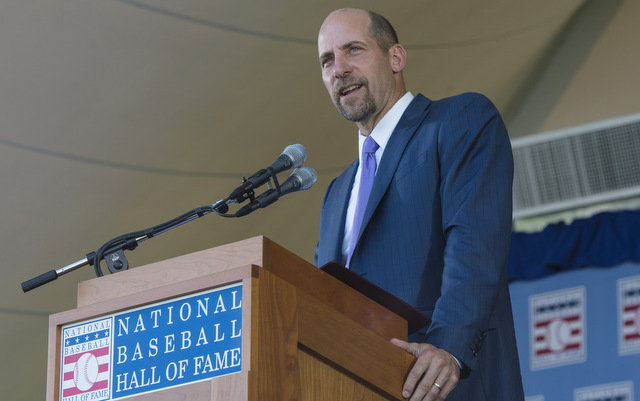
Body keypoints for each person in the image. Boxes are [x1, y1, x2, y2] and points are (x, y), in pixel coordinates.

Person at [314, 8, 525, 401]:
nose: (338, 69)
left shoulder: (457, 121)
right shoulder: (335, 194)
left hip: (445, 385)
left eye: (353, 50)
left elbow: (474, 246)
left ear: (396, 58)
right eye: (327, 60)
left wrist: (450, 348)